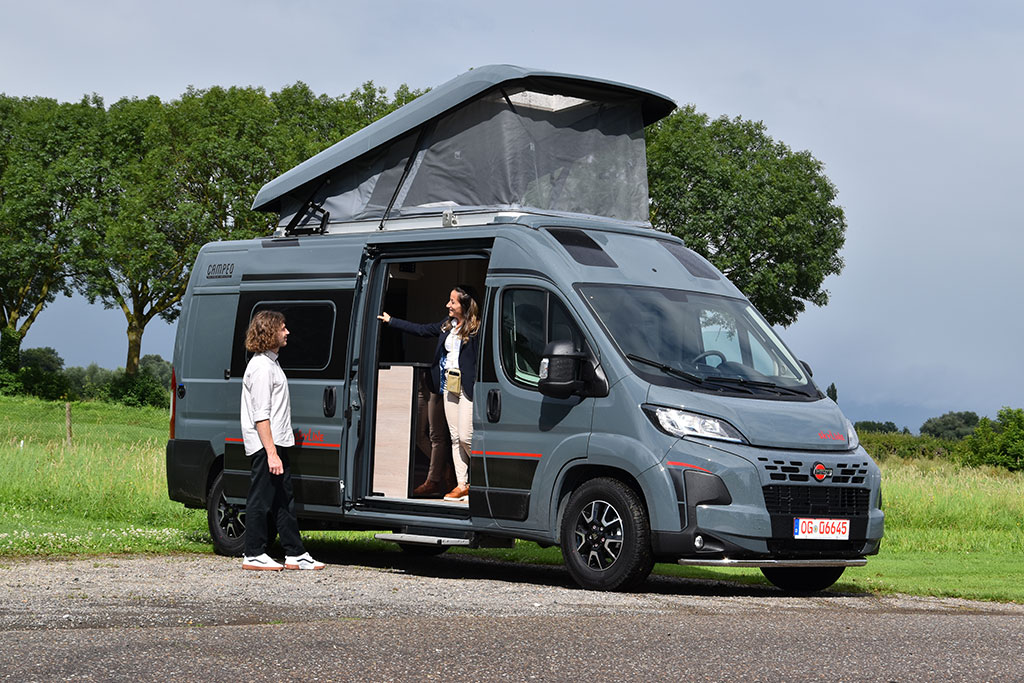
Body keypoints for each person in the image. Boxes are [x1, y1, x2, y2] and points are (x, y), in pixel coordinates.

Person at [240, 310, 325, 571]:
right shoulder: (261, 368)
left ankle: (295, 553)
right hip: (266, 445)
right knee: (260, 498)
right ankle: (253, 553)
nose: (287, 332)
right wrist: (271, 453)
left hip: (276, 443)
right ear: (269, 332)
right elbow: (261, 415)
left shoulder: (271, 364)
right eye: (282, 328)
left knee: (283, 499)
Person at [379, 285, 480, 502]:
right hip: (449, 386)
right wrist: (392, 321)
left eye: (452, 302)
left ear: (464, 305)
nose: (448, 305)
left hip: (467, 387)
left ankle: (486, 477)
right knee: (454, 438)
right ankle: (462, 485)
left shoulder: (476, 328)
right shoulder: (447, 325)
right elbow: (422, 330)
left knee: (466, 437)